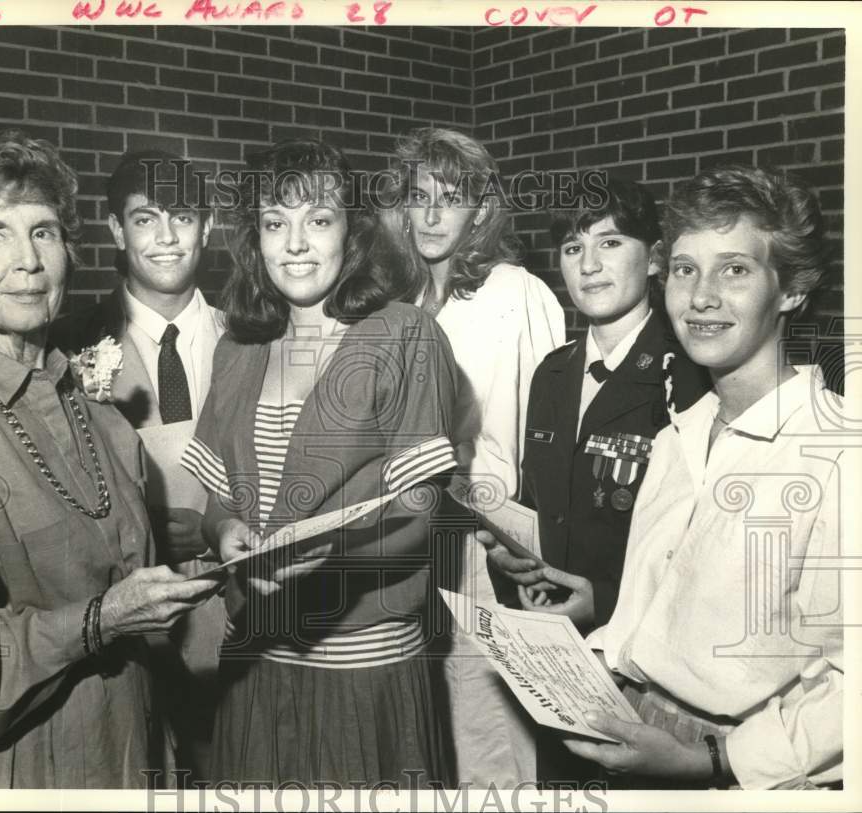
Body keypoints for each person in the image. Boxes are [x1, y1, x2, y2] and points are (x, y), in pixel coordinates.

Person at [0, 130, 222, 788]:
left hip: (125, 755)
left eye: (42, 232)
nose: (28, 261)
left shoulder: (100, 416)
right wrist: (100, 620)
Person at [180, 139, 460, 787]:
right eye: (276, 223)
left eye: (319, 220)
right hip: (255, 657)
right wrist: (224, 533)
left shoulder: (405, 335)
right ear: (255, 239)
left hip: (363, 670)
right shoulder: (238, 345)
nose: (297, 244)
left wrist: (336, 561)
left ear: (352, 233)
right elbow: (216, 504)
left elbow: (422, 517)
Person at [560, 166, 843, 789]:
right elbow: (645, 612)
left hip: (744, 764)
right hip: (636, 725)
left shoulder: (836, 454)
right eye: (685, 269)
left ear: (791, 290)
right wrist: (584, 663)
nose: (701, 296)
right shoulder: (674, 437)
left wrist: (712, 762)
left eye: (735, 269)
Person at [478, 176, 709, 785]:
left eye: (610, 243)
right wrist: (517, 558)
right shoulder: (552, 375)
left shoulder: (687, 373)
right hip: (556, 657)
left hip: (650, 670)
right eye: (574, 247)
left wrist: (602, 600)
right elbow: (545, 507)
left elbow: (704, 542)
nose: (589, 264)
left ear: (656, 257)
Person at [380, 127, 566, 786]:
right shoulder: (397, 304)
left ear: (480, 211)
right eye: (418, 195)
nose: (431, 215)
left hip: (489, 549)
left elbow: (549, 439)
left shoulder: (516, 293)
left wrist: (532, 545)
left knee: (491, 736)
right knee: (426, 736)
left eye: (450, 198)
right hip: (407, 546)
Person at [51, 149, 227, 775]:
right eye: (146, 219)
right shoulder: (66, 347)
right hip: (122, 617)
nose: (167, 237)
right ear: (117, 231)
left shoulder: (257, 335)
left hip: (241, 601)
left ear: (208, 226)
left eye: (182, 217)